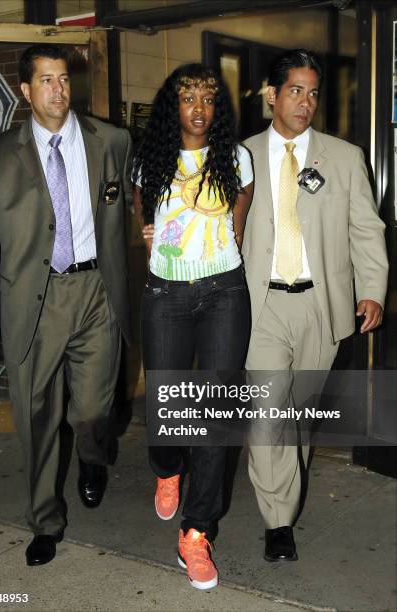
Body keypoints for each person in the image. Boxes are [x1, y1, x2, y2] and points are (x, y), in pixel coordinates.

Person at [0, 44, 132, 566]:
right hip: (32, 301)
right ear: (25, 90)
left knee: (92, 410)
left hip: (95, 294)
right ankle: (44, 521)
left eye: (63, 79)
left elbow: (132, 201)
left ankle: (92, 457)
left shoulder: (111, 140)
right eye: (46, 80)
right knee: (37, 418)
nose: (58, 89)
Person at [242, 49, 388, 562]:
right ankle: (278, 522)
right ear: (271, 94)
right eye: (295, 91)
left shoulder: (344, 158)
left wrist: (372, 288)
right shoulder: (240, 156)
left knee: (296, 417)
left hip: (321, 307)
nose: (305, 103)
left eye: (313, 93)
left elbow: (365, 230)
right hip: (261, 305)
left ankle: (286, 497)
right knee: (266, 416)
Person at [133, 63, 253, 590]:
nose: (199, 109)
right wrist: (144, 231)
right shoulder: (150, 156)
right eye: (188, 99)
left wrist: (238, 221)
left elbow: (243, 194)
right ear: (173, 106)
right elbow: (138, 209)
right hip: (166, 292)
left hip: (225, 290)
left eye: (207, 98)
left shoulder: (236, 155)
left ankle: (196, 531)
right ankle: (166, 467)